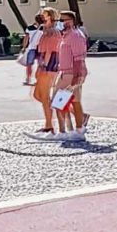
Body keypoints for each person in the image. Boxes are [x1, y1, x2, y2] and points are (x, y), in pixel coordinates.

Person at [53, 10, 91, 135]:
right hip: (66, 72)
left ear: (71, 21)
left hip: (70, 74)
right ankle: (76, 129)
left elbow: (78, 57)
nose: (59, 23)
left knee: (60, 102)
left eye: (62, 20)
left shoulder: (75, 36)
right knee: (73, 101)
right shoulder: (67, 35)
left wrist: (77, 75)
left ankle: (64, 131)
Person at [27, 8, 59, 136]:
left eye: (44, 14)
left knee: (45, 96)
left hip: (49, 65)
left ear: (50, 17)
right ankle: (71, 111)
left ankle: (49, 125)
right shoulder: (44, 31)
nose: (41, 16)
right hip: (43, 63)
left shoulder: (53, 32)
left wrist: (44, 65)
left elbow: (51, 50)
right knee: (37, 95)